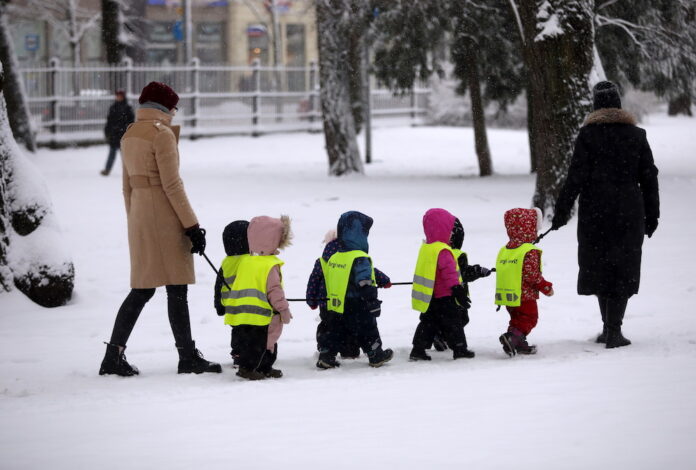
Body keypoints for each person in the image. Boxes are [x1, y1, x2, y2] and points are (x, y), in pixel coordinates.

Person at [99, 81, 221, 377]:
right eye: (174, 107)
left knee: (142, 288)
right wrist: (192, 225)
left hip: (141, 214)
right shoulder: (161, 134)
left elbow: (126, 187)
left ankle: (114, 354)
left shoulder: (130, 134)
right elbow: (172, 185)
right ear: (165, 107)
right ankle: (187, 357)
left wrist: (135, 220)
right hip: (164, 217)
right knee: (175, 289)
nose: (175, 112)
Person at [551, 81, 660, 349]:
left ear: (595, 105)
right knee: (623, 267)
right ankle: (614, 330)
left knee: (599, 266)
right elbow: (649, 178)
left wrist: (562, 212)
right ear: (618, 104)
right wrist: (652, 214)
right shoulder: (637, 135)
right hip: (628, 211)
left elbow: (574, 177)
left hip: (595, 212)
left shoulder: (588, 136)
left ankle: (608, 328)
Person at [317, 211, 393, 369]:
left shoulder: (336, 256)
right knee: (368, 328)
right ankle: (375, 354)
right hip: (358, 303)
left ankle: (327, 355)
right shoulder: (359, 257)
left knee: (335, 330)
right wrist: (372, 300)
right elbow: (365, 280)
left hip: (338, 305)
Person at [222, 215, 293, 380]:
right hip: (261, 314)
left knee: (251, 343)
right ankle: (249, 369)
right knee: (264, 343)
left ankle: (260, 367)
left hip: (242, 311)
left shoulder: (246, 261)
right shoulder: (269, 265)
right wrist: (283, 309)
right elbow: (274, 290)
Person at [410, 208, 476, 361]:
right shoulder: (443, 250)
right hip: (445, 295)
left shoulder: (426, 248)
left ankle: (418, 349)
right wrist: (457, 289)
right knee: (454, 323)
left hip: (430, 295)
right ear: (444, 228)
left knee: (427, 323)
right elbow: (449, 272)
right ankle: (460, 348)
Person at [495, 208, 554, 356]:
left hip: (508, 294)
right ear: (530, 227)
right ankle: (512, 338)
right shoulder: (528, 250)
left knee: (516, 319)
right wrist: (545, 287)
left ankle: (516, 342)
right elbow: (532, 275)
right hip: (524, 295)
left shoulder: (506, 249)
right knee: (529, 318)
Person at [430, 217, 492, 350]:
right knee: (461, 319)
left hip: (438, 295)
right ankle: (444, 338)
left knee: (441, 318)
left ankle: (439, 335)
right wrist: (478, 271)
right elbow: (464, 273)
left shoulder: (436, 251)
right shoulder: (457, 254)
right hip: (456, 295)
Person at [214, 220, 250, 366]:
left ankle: (237, 352)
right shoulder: (250, 261)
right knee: (249, 330)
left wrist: (218, 304)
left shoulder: (226, 262)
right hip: (249, 304)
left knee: (237, 329)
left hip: (230, 305)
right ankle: (250, 353)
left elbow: (218, 284)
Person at [101, 89, 134, 176]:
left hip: (123, 135)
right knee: (112, 153)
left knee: (125, 155)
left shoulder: (128, 108)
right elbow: (109, 121)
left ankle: (129, 171)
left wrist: (125, 129)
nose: (118, 97)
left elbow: (131, 122)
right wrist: (107, 131)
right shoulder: (113, 107)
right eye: (117, 96)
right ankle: (107, 169)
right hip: (114, 135)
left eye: (120, 96)